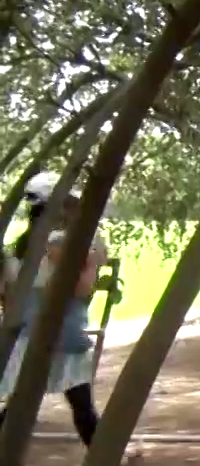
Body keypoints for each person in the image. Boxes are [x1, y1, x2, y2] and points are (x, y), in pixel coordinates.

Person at [0, 175, 107, 445]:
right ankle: (105, 455)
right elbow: (81, 289)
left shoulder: (19, 249)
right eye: (69, 204)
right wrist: (93, 263)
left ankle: (105, 453)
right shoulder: (58, 243)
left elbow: (8, 297)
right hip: (60, 337)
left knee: (20, 404)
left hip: (29, 337)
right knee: (81, 405)